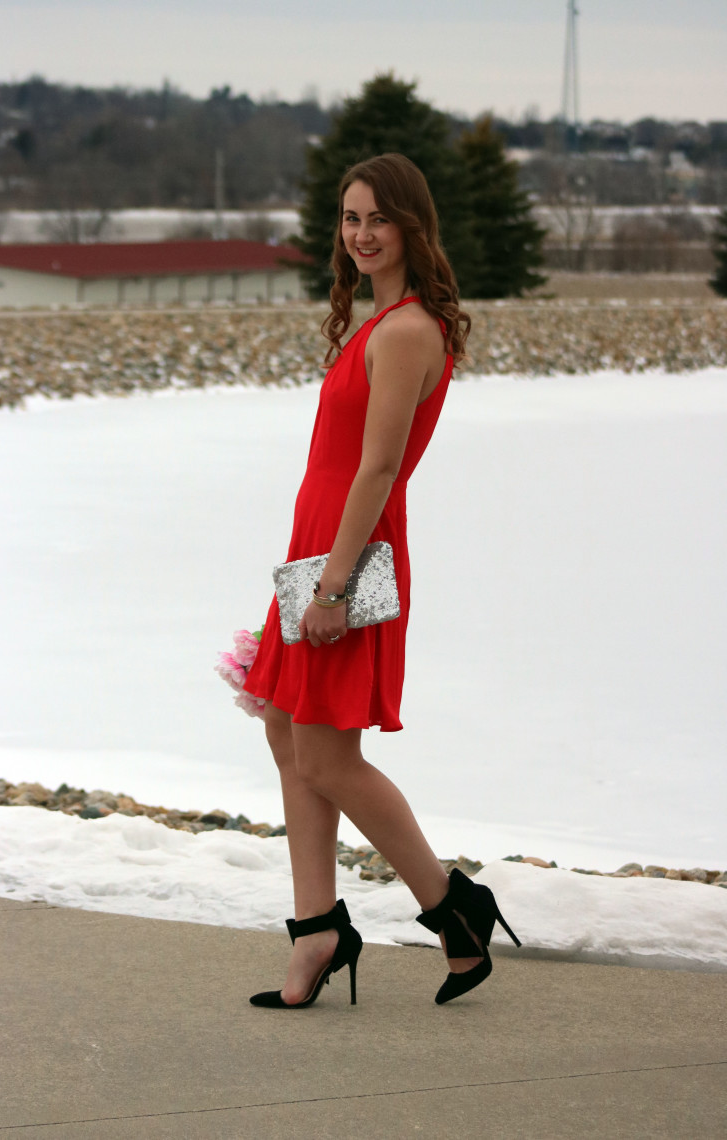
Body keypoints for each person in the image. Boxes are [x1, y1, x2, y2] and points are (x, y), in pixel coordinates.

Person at [243, 153, 520, 1009]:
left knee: (326, 750)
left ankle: (451, 907)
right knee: (288, 731)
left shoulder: (405, 331)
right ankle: (317, 925)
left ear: (412, 227)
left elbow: (381, 468)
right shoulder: (382, 320)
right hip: (320, 548)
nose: (361, 234)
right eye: (350, 218)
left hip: (349, 556)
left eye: (378, 219)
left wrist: (331, 588)